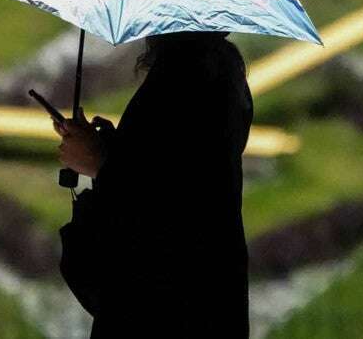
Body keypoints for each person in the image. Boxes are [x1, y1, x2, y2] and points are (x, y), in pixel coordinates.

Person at [53, 30, 253, 338]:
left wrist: (99, 162)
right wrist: (113, 150)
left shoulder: (184, 78)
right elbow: (171, 170)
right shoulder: (215, 69)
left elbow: (161, 214)